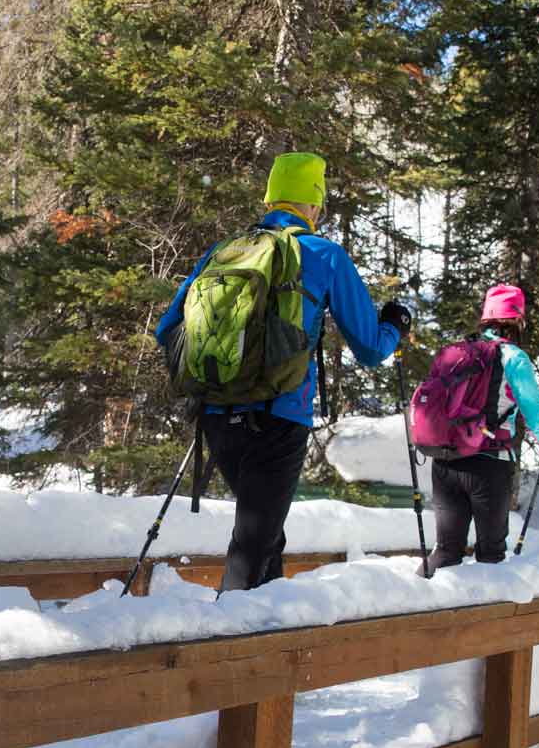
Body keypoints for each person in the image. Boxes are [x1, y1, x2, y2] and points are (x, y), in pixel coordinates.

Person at [155, 153, 405, 591]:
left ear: (271, 196)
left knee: (266, 537)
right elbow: (369, 348)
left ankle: (267, 635)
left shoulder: (226, 252)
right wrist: (394, 327)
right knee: (252, 546)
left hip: (216, 417)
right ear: (314, 203)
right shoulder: (324, 255)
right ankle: (227, 644)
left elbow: (166, 330)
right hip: (279, 416)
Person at [424, 284, 539, 570]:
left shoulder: (458, 351)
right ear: (517, 320)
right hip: (489, 462)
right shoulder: (513, 357)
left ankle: (416, 602)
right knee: (491, 555)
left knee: (446, 551)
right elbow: (534, 410)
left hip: (445, 462)